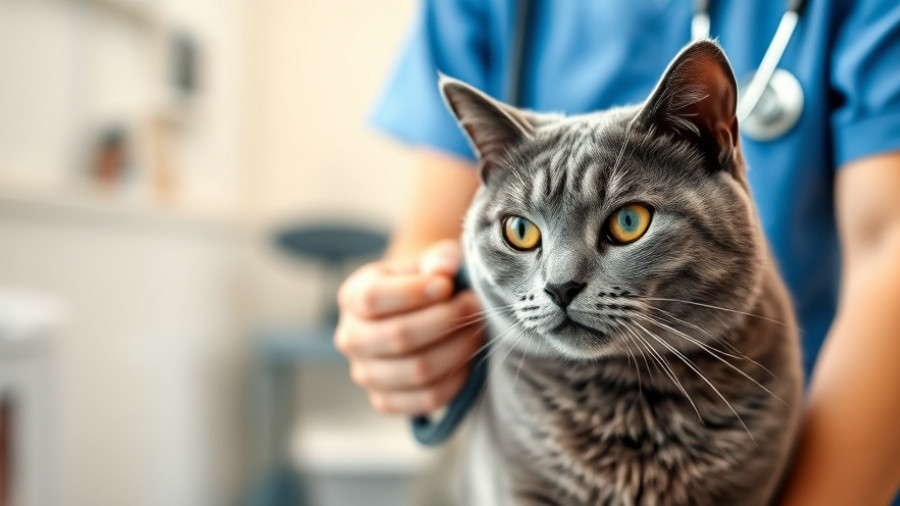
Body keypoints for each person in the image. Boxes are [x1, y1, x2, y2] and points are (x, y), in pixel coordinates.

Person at [334, 1, 900, 503]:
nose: (560, 280)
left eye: (626, 224)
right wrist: (406, 315)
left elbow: (890, 247)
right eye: (524, 235)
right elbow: (433, 233)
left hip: (822, 441)